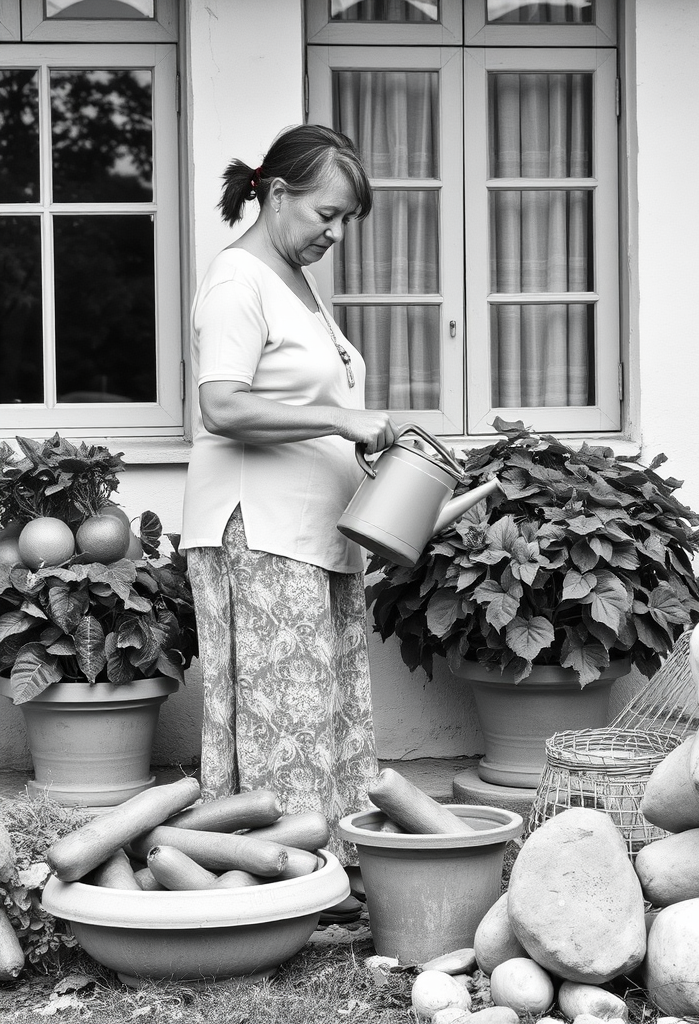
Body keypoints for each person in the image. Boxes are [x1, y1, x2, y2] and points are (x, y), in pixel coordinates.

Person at [180, 125, 397, 869]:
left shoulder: (292, 283)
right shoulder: (239, 280)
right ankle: (276, 881)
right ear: (277, 194)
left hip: (313, 538)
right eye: (325, 214)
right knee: (284, 730)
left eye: (345, 221)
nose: (335, 233)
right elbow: (224, 406)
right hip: (261, 537)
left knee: (323, 720)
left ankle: (325, 873)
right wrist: (341, 418)